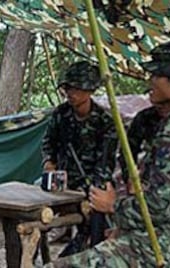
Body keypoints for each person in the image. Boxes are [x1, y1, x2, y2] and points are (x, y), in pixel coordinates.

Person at [49, 37, 170, 267]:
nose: (150, 81)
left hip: (163, 245)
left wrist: (112, 205)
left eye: (156, 75)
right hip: (169, 238)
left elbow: (158, 206)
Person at [41, 61, 117, 254]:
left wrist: (88, 194)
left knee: (93, 235)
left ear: (90, 90)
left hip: (90, 188)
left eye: (76, 88)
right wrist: (49, 162)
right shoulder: (61, 113)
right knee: (34, 220)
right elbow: (48, 142)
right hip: (61, 185)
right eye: (68, 87)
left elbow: (104, 166)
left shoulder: (104, 121)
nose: (70, 93)